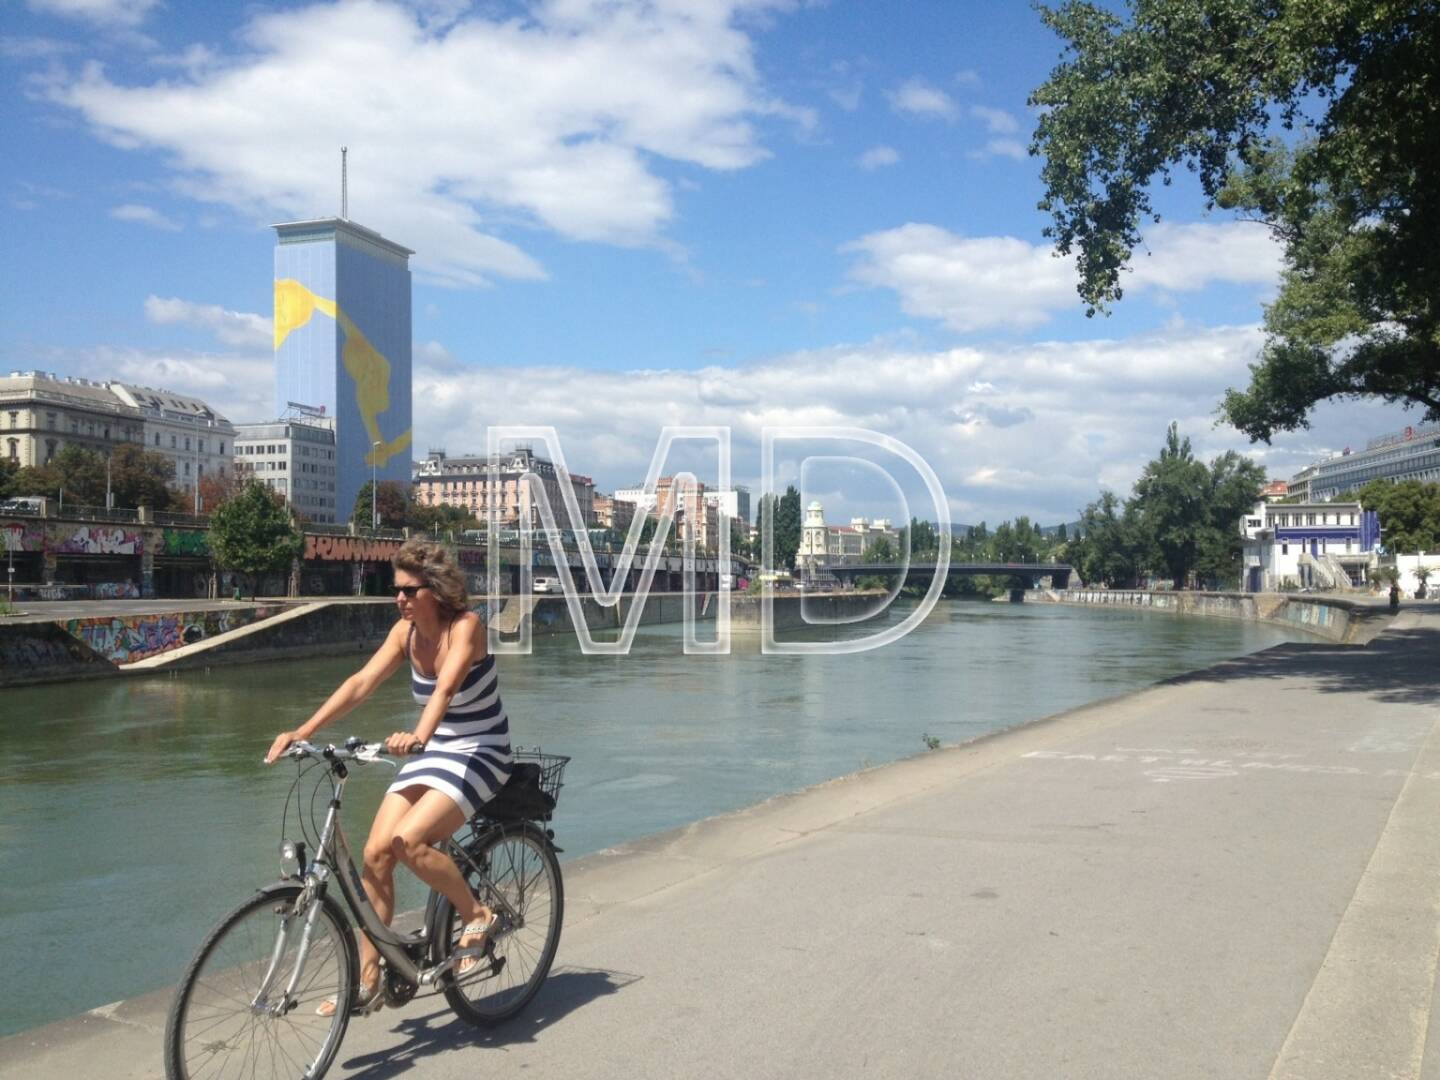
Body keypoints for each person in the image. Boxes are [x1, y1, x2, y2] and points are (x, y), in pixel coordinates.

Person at [265, 538, 513, 1015]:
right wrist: (304, 729)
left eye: (407, 590)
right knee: (376, 854)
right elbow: (361, 682)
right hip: (436, 749)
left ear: (434, 591)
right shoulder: (404, 634)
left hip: (481, 748)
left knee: (410, 841)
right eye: (393, 589)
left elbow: (445, 688)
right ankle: (371, 979)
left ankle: (478, 913)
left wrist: (417, 735)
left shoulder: (466, 627)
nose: (398, 598)